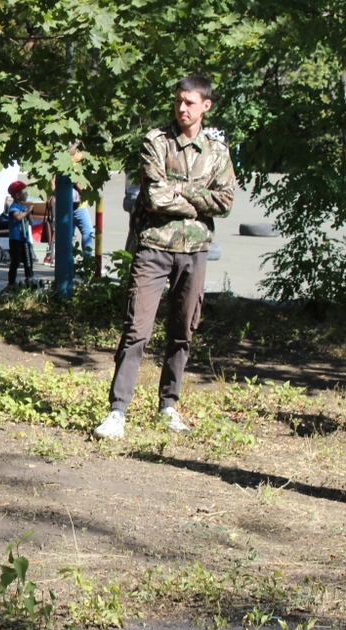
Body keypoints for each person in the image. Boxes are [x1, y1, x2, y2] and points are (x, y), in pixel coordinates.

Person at [93, 75, 235, 440]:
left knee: (182, 333)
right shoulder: (155, 142)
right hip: (154, 248)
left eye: (190, 102)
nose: (182, 108)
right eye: (178, 101)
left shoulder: (218, 152)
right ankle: (117, 411)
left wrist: (182, 191)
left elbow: (225, 202)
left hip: (195, 252)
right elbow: (155, 196)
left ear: (206, 106)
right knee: (136, 331)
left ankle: (168, 405)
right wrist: (198, 199)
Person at [5, 181, 34, 286]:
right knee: (15, 261)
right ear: (17, 195)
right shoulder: (14, 207)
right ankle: (11, 282)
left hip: (25, 238)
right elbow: (17, 217)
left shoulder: (23, 207)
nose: (27, 195)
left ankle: (29, 277)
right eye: (24, 193)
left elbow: (31, 222)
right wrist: (26, 212)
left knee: (28, 259)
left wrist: (29, 213)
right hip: (15, 238)